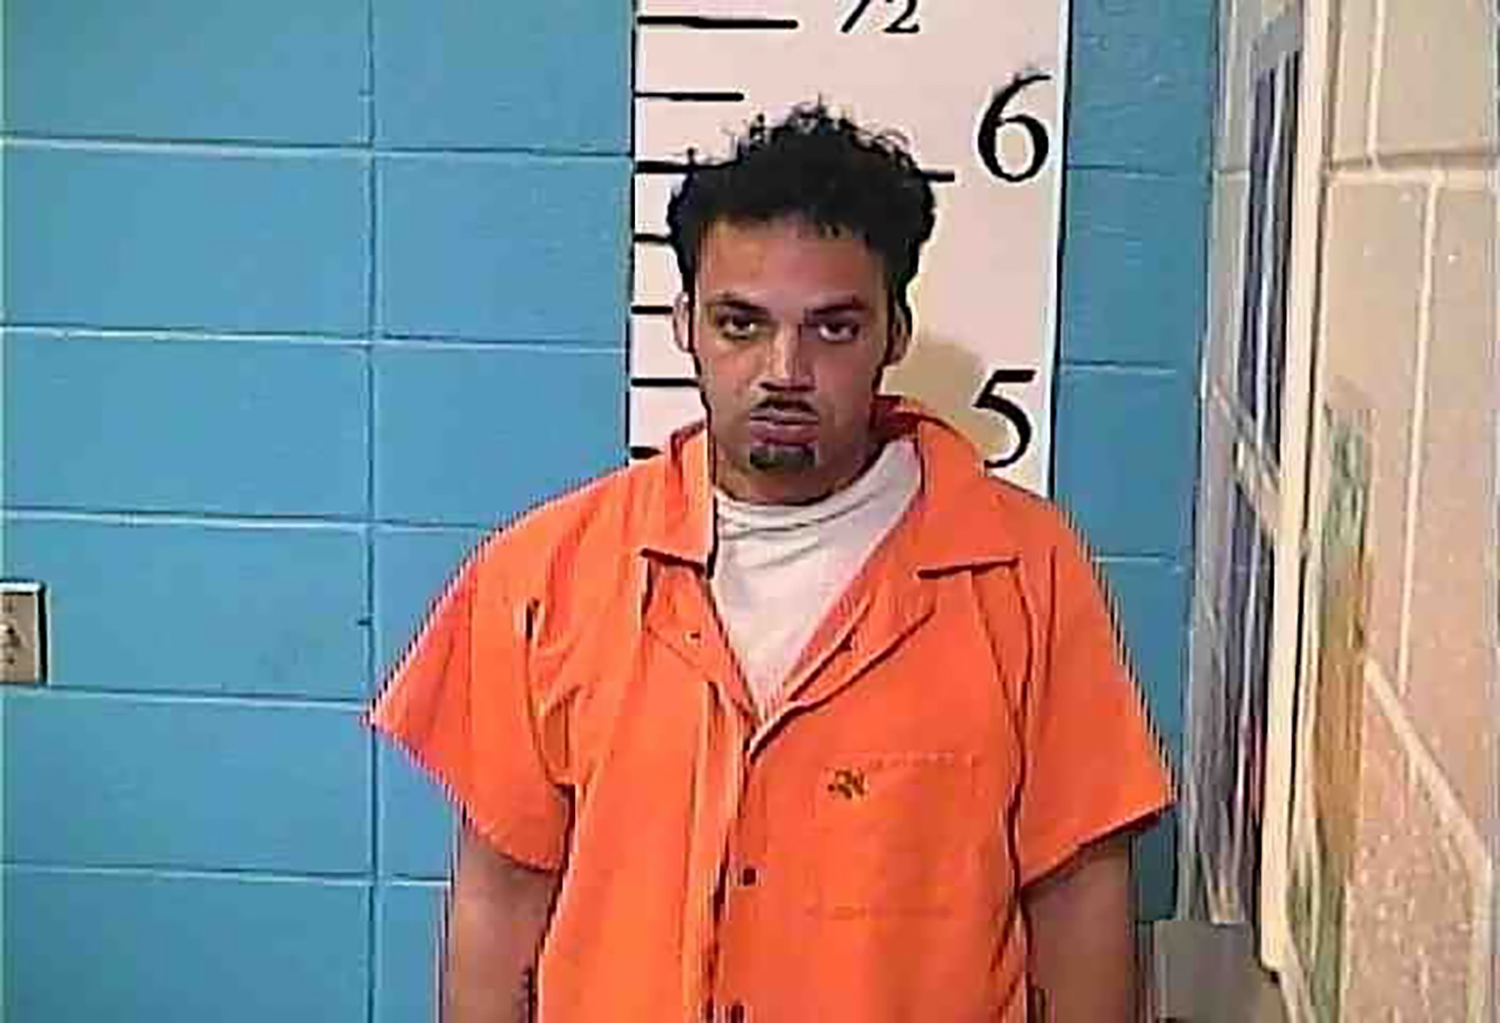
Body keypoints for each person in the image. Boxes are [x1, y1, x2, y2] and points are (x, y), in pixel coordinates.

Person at [369, 103, 1171, 1023]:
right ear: (684, 324)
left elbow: (1078, 899)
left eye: (834, 329)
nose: (784, 369)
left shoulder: (1027, 573)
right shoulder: (544, 575)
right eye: (741, 324)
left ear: (896, 333)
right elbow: (500, 900)